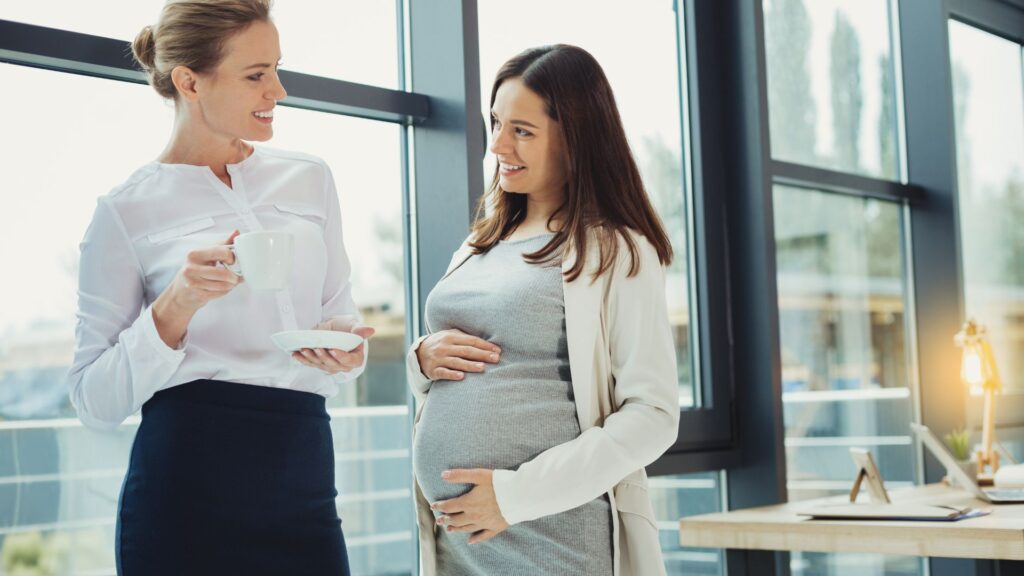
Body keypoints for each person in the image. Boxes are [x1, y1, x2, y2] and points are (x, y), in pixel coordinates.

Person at [65, 1, 372, 573]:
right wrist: (177, 304)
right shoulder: (124, 211)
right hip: (186, 486)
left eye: (276, 69)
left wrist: (342, 349)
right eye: (255, 75)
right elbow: (93, 401)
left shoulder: (310, 177)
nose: (277, 90)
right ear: (189, 82)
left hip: (304, 470)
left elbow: (340, 319)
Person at [406, 44, 680, 576]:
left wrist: (514, 495)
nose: (497, 145)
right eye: (495, 123)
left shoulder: (616, 249)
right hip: (460, 533)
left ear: (576, 140)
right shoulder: (478, 245)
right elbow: (469, 373)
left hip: (549, 531)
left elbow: (653, 417)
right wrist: (423, 360)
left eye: (522, 131)